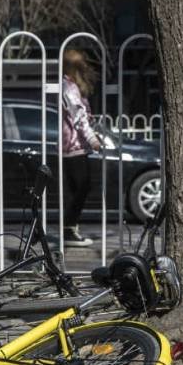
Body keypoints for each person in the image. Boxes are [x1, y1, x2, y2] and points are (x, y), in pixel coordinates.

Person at [60, 49, 102, 247]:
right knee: (83, 187)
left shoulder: (68, 85)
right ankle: (69, 228)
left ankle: (70, 227)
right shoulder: (69, 89)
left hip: (72, 144)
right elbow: (79, 118)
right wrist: (92, 139)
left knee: (78, 188)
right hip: (74, 145)